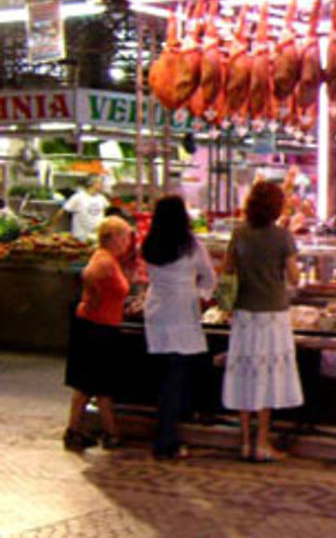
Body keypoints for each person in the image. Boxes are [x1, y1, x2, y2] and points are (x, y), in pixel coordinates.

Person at [221, 180, 303, 462]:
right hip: (273, 314)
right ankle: (262, 442)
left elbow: (227, 270)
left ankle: (244, 441)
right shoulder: (282, 237)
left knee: (245, 374)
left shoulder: (239, 235)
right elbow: (294, 277)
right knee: (267, 377)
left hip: (244, 313)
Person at [141, 195, 217, 461]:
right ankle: (166, 440)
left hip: (156, 311)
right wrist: (202, 294)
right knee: (176, 378)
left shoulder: (149, 244)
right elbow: (210, 277)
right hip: (182, 313)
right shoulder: (191, 246)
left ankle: (165, 433)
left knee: (164, 375)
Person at [63, 215, 137, 451]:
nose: (127, 241)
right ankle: (109, 432)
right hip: (97, 328)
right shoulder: (104, 260)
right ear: (112, 237)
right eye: (124, 236)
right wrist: (94, 298)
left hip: (98, 325)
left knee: (89, 384)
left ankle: (77, 430)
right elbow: (89, 275)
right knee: (98, 383)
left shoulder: (110, 259)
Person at [53, 175, 111, 242]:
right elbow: (62, 211)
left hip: (96, 237)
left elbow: (109, 212)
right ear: (92, 184)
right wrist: (52, 227)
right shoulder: (78, 197)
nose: (102, 185)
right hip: (80, 238)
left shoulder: (102, 198)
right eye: (100, 183)